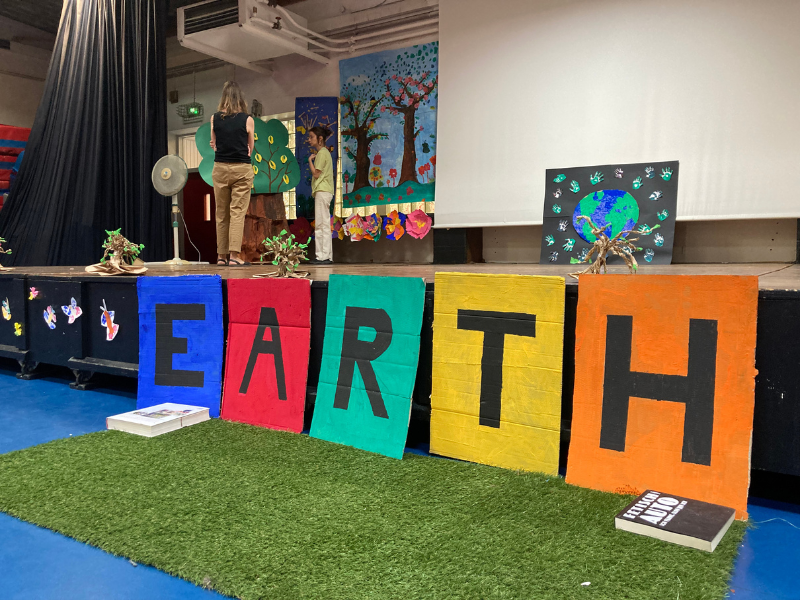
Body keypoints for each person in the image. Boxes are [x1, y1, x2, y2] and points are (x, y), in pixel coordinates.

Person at [210, 81, 254, 266]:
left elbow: (214, 144)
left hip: (220, 168)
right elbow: (250, 147)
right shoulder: (247, 119)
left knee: (221, 213)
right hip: (241, 169)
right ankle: (234, 256)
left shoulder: (214, 118)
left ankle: (221, 256)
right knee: (237, 213)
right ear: (240, 98)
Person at [307, 126, 334, 265]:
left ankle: (321, 256)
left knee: (320, 224)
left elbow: (316, 174)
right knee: (324, 224)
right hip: (326, 191)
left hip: (322, 191)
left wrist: (310, 161)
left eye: (312, 137)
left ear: (320, 139)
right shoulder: (325, 153)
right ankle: (327, 255)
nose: (309, 139)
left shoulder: (322, 153)